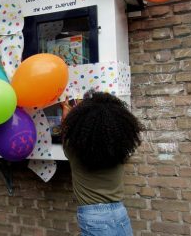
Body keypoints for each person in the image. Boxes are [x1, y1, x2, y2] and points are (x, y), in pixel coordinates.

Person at [61, 92, 143, 236]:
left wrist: (66, 111)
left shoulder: (74, 151)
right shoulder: (120, 151)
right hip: (119, 212)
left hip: (93, 217)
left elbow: (67, 132)